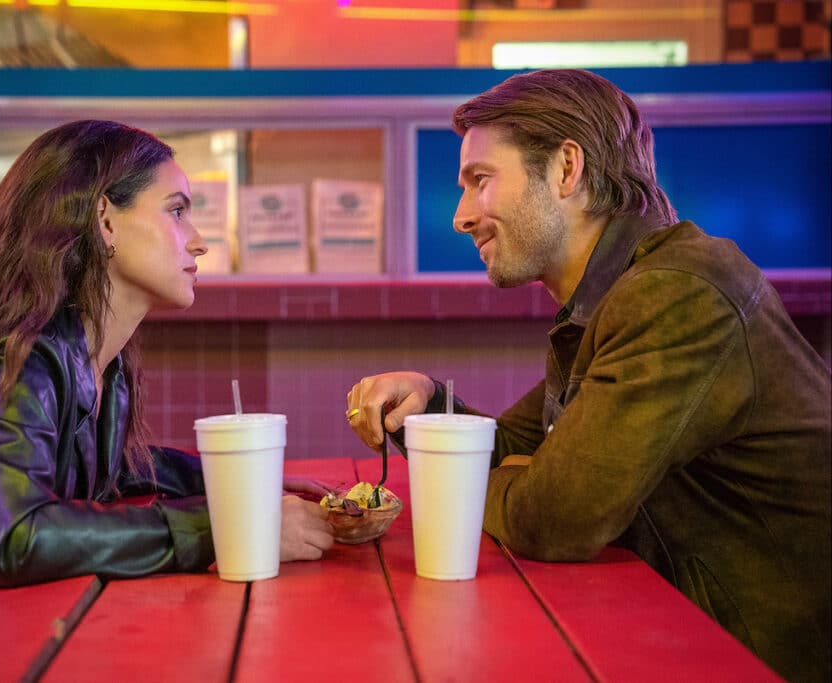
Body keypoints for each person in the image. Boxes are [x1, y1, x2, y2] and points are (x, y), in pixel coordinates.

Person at [345, 70, 830, 682]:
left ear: (566, 170)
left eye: (480, 180)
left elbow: (557, 519)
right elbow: (524, 450)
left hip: (763, 657)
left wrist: (500, 484)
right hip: (687, 637)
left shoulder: (675, 294)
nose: (461, 216)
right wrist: (426, 405)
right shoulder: (615, 293)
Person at [0, 120, 334, 682]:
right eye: (177, 211)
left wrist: (237, 482)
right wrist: (230, 525)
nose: (199, 238)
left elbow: (102, 467)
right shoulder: (9, 355)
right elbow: (12, 540)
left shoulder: (96, 354)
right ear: (105, 219)